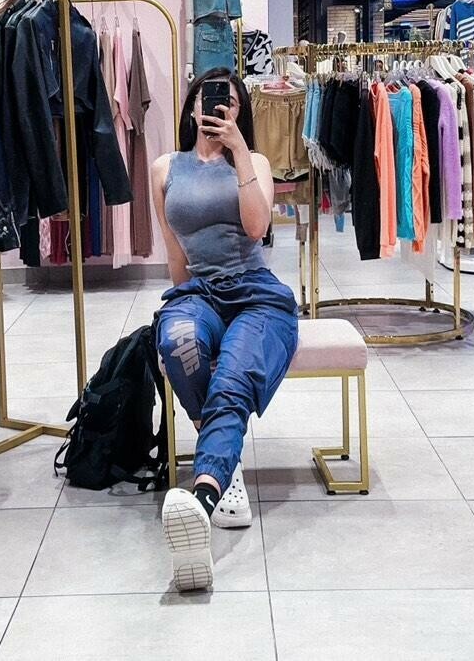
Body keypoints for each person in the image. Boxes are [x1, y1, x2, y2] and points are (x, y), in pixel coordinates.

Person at [151, 67, 299, 592]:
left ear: (240, 113)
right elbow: (175, 253)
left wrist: (238, 150)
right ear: (192, 107)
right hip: (200, 293)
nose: (218, 108)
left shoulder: (253, 161)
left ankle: (205, 492)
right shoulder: (165, 167)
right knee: (179, 341)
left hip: (256, 294)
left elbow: (257, 228)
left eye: (231, 103)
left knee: (233, 374)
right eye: (210, 99)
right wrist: (183, 307)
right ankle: (223, 453)